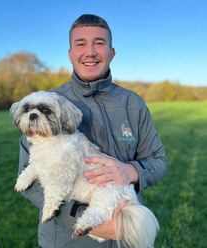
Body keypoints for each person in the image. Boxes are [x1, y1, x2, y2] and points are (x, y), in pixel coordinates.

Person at [18, 14, 168, 248]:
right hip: (66, 241)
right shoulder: (49, 105)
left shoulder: (133, 103)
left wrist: (131, 171)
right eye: (81, 44)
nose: (90, 52)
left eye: (99, 43)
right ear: (70, 53)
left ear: (112, 52)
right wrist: (87, 221)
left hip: (126, 236)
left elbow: (158, 161)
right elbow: (31, 180)